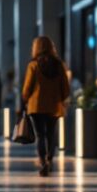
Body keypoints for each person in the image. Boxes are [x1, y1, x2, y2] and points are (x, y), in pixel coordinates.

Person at [20, 36, 71, 177]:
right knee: (51, 133)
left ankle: (42, 162)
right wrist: (59, 98)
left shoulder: (33, 65)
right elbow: (66, 88)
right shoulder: (59, 65)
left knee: (40, 135)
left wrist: (24, 100)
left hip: (36, 106)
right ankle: (50, 159)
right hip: (54, 105)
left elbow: (27, 88)